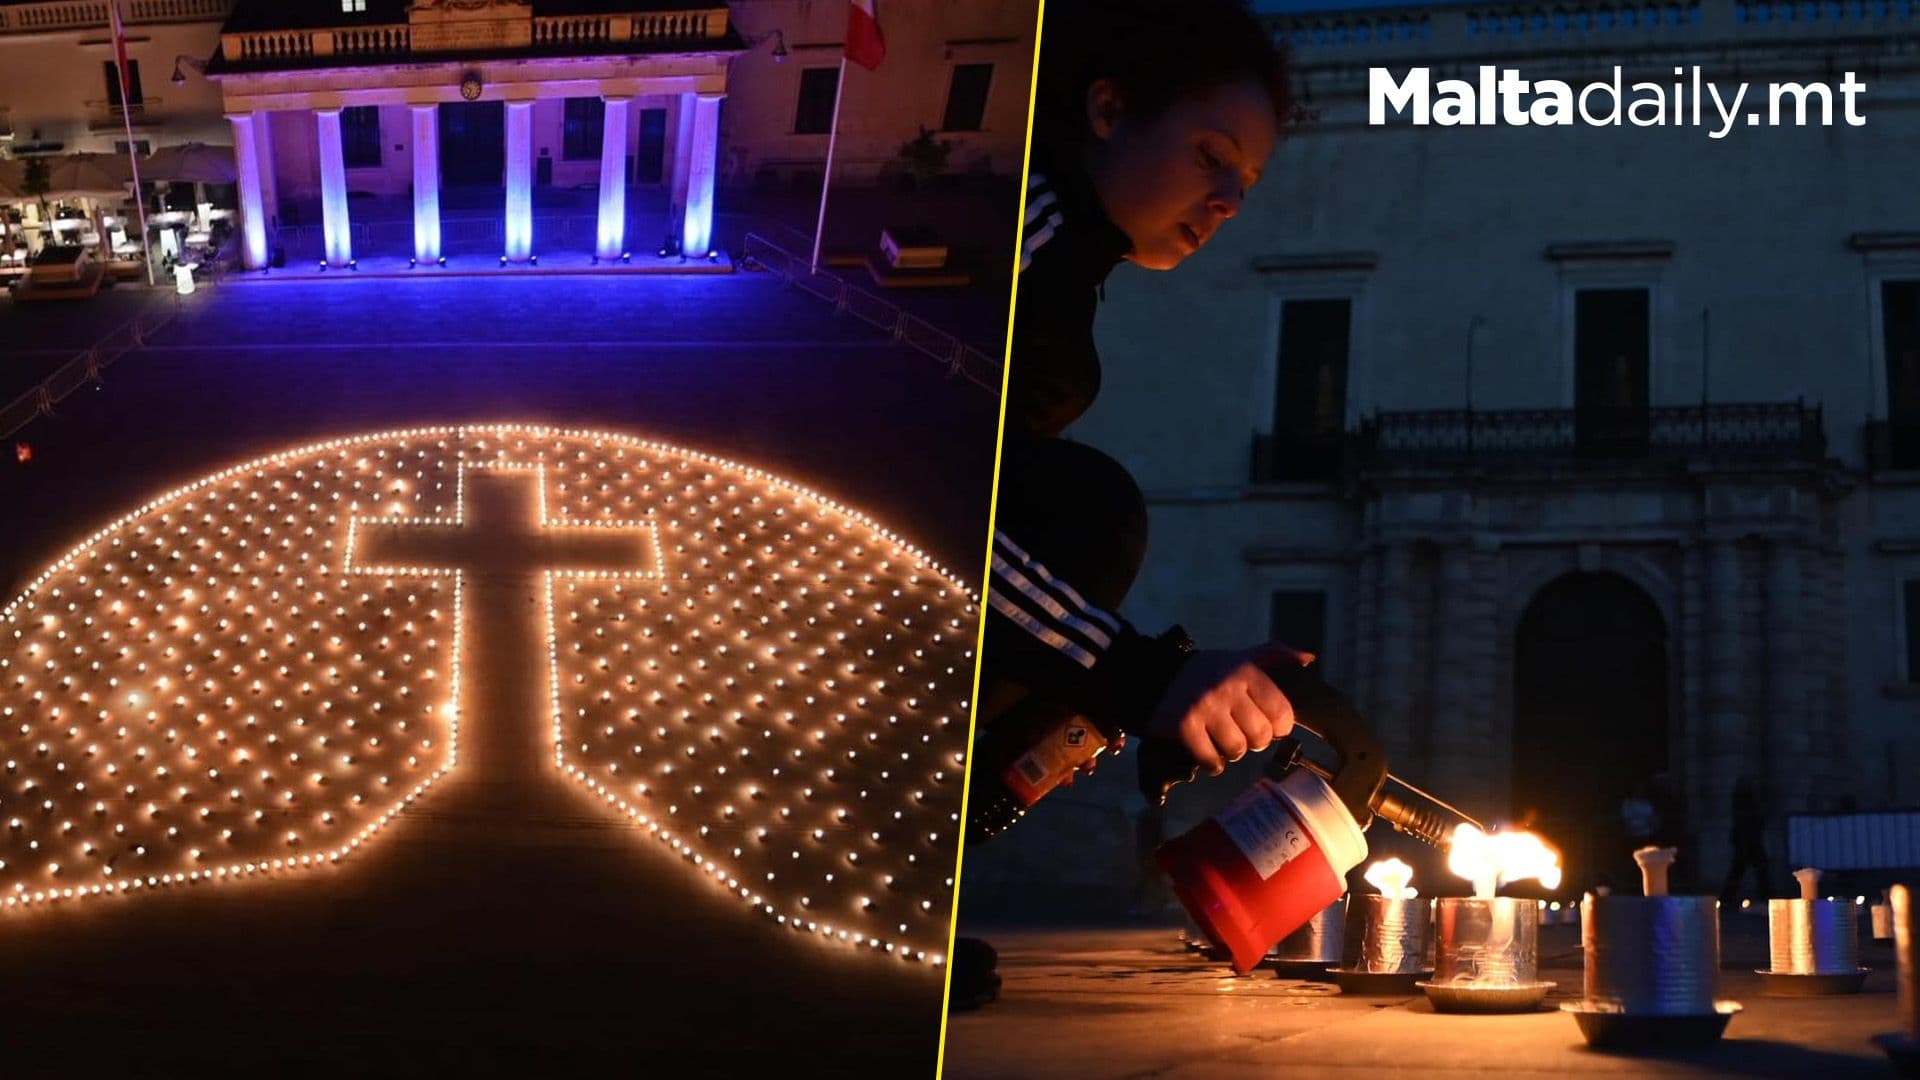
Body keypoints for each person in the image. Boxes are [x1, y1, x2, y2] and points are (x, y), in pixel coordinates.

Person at [950, 0, 1298, 1010]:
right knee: (1090, 511)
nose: (1229, 198)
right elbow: (934, 510)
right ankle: (870, 874)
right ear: (1107, 108)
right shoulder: (1025, 233)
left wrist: (1133, 679)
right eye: (1211, 155)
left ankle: (897, 872)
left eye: (1248, 183)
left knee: (1089, 533)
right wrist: (1140, 674)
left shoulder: (1064, 257)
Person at [1719, 775, 1772, 904]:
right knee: (1752, 868)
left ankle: (1728, 898)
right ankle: (1765, 895)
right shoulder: (1745, 801)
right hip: (1747, 838)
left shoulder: (1743, 800)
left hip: (1748, 838)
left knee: (1746, 869)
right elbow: (1748, 820)